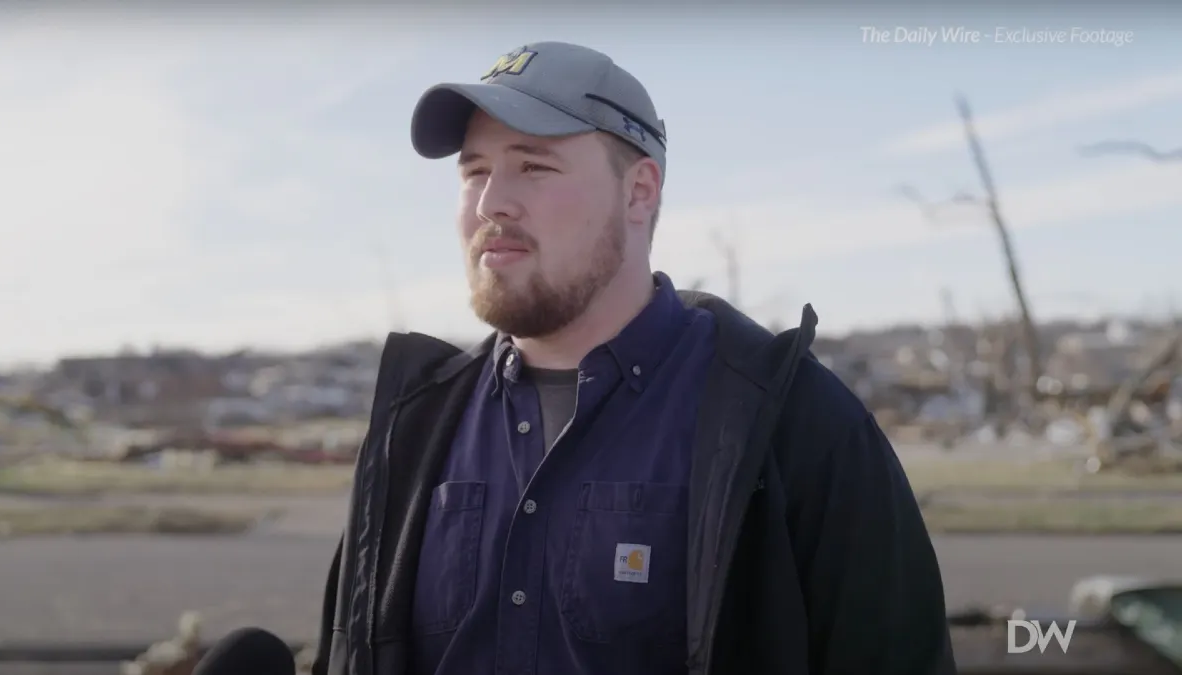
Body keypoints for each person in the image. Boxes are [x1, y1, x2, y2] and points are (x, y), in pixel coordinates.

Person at [312, 41, 956, 675]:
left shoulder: (792, 423)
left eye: (532, 166)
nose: (490, 203)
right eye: (474, 171)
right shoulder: (413, 429)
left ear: (639, 192)